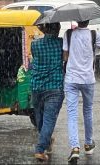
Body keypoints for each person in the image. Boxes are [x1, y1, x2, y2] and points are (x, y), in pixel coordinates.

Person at [63, 14, 100, 163]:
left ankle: (75, 148)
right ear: (88, 21)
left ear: (77, 20)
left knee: (72, 113)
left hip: (71, 79)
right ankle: (88, 144)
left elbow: (65, 57)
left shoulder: (68, 34)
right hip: (88, 79)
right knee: (87, 111)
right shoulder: (94, 35)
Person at [31, 23, 64, 161]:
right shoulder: (61, 43)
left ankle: (47, 140)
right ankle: (40, 149)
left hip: (37, 85)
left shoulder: (35, 44)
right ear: (57, 30)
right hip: (54, 86)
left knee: (40, 119)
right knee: (49, 120)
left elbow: (35, 57)